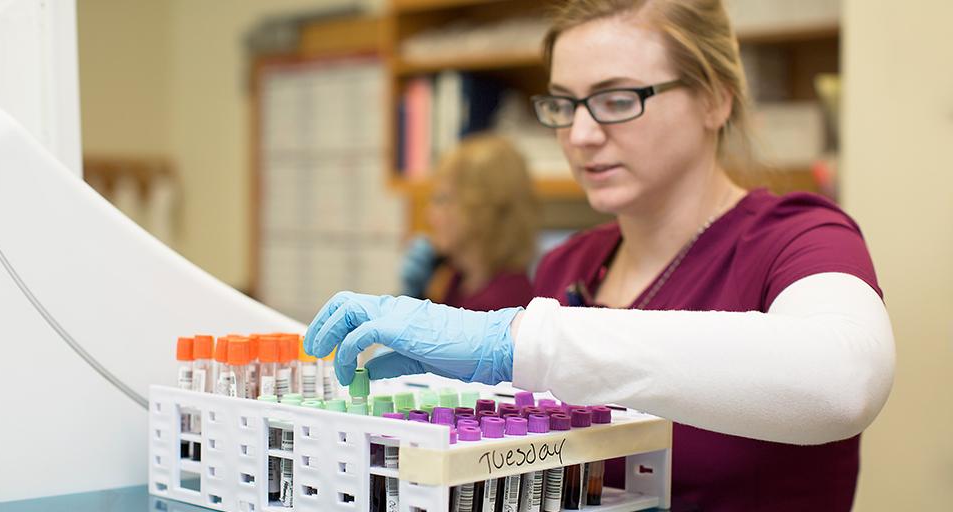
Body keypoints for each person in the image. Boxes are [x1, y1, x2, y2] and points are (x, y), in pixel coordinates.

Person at [305, 1, 894, 510]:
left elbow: (846, 381)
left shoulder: (798, 237)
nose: (581, 134)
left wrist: (518, 344)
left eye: (616, 100)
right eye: (564, 104)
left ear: (716, 99)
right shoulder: (571, 267)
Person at [399, 134, 538, 311]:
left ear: (481, 211)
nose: (430, 215)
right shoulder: (462, 281)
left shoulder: (500, 304)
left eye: (442, 200)